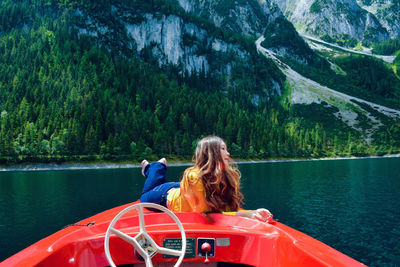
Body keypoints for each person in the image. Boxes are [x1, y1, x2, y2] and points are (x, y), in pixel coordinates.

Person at [139, 136, 273, 222]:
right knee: (145, 197)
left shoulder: (225, 175)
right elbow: (206, 214)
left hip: (188, 190)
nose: (228, 154)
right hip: (164, 195)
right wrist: (247, 216)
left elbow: (224, 210)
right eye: (223, 149)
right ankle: (155, 167)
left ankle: (156, 168)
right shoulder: (194, 177)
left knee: (168, 182)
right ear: (211, 153)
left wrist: (253, 212)